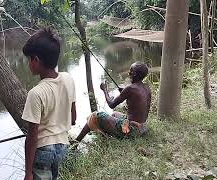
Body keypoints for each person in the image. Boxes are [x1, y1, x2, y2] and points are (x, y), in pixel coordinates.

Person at [21, 28, 76, 180]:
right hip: (63, 148)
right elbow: (73, 118)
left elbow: (32, 138)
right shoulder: (68, 79)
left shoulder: (36, 93)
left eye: (29, 59)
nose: (28, 64)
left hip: (43, 151)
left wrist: (28, 173)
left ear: (36, 60)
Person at [75, 62, 151, 142]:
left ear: (135, 74)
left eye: (131, 70)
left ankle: (76, 143)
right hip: (142, 128)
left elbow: (111, 104)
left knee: (95, 116)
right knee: (114, 114)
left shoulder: (130, 89)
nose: (129, 73)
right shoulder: (146, 88)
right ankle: (106, 138)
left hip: (132, 130)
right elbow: (136, 100)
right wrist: (124, 93)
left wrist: (105, 90)